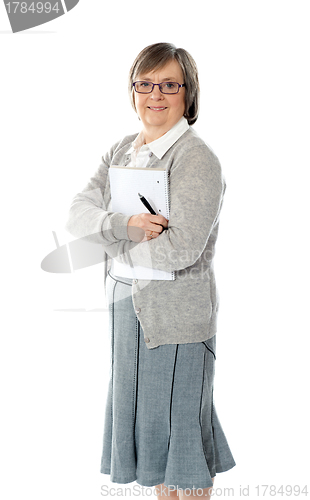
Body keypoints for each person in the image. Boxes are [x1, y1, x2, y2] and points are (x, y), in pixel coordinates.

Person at [65, 42, 236, 499]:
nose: (155, 94)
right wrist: (125, 226)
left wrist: (112, 243)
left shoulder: (197, 158)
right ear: (133, 90)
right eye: (145, 83)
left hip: (177, 321)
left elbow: (180, 249)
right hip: (128, 313)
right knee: (150, 443)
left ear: (188, 93)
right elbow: (78, 214)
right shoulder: (122, 148)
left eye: (169, 85)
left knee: (182, 443)